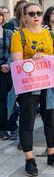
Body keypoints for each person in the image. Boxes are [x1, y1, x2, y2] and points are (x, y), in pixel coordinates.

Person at [11, 3, 54, 176]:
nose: (36, 16)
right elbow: (17, 62)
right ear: (24, 17)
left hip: (48, 84)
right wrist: (32, 61)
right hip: (28, 86)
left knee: (51, 120)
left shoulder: (50, 34)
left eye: (39, 13)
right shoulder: (18, 36)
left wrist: (46, 57)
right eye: (31, 13)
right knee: (27, 121)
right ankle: (29, 158)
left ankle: (52, 154)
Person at [0, 10, 18, 140]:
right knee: (1, 99)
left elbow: (15, 51)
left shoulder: (9, 33)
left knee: (11, 98)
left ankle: (12, 126)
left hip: (10, 69)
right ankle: (2, 127)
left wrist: (8, 64)